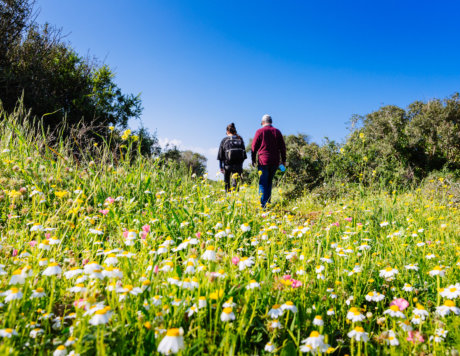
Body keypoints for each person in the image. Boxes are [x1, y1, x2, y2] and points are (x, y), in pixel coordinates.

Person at [251, 114, 286, 208]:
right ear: (271, 122)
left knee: (263, 183)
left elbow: (254, 147)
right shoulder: (277, 132)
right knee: (269, 182)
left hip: (263, 161)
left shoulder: (260, 131)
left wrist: (253, 160)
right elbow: (283, 147)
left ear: (262, 122)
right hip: (274, 161)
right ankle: (268, 203)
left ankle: (263, 206)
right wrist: (284, 160)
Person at [217, 123, 247, 192]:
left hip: (227, 165)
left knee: (226, 181)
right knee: (236, 182)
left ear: (227, 131)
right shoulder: (240, 140)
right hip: (238, 165)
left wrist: (221, 166)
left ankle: (228, 196)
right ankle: (235, 198)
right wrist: (240, 164)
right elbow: (244, 155)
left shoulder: (224, 140)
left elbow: (220, 155)